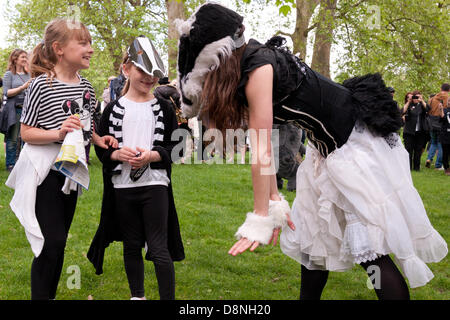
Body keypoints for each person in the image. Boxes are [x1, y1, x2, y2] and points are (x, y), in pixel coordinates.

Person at [176, 3, 447, 300]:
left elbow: (262, 150)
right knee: (313, 246)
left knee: (370, 254)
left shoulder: (259, 67)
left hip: (354, 148)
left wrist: (261, 216)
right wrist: (275, 200)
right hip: (325, 150)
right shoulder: (246, 68)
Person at [5, 18, 117, 300]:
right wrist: (58, 132)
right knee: (50, 242)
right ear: (59, 49)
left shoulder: (87, 88)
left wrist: (99, 139)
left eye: (91, 42)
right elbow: (27, 133)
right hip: (43, 172)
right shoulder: (40, 86)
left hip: (70, 173)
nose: (90, 48)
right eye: (83, 42)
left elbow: (87, 127)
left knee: (58, 244)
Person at [87, 36, 185, 300]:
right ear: (126, 69)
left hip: (155, 185)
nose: (149, 78)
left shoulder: (165, 107)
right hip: (122, 187)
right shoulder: (112, 108)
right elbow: (102, 147)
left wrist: (152, 155)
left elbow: (178, 148)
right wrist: (117, 153)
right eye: (142, 71)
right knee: (131, 245)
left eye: (154, 73)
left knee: (158, 247)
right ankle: (137, 296)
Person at [2, 49, 31, 172]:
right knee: (13, 138)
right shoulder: (9, 74)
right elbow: (6, 93)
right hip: (15, 110)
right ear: (15, 59)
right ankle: (11, 164)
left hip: (28, 110)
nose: (25, 59)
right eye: (23, 57)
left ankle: (24, 163)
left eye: (26, 57)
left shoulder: (29, 74)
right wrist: (23, 87)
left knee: (27, 139)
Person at [402, 90, 430, 171]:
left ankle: (416, 167)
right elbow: (402, 111)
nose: (416, 99)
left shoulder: (422, 106)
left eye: (418, 97)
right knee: (408, 150)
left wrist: (422, 101)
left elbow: (428, 109)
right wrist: (408, 101)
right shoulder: (409, 105)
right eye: (415, 97)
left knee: (418, 150)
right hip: (409, 132)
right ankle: (408, 167)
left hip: (420, 132)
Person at [425, 83, 449, 170]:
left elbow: (428, 110)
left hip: (431, 123)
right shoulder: (447, 98)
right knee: (440, 144)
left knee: (433, 142)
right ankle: (438, 165)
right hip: (441, 123)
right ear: (449, 90)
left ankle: (429, 159)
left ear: (440, 88)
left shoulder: (432, 98)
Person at [440, 98, 450, 176]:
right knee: (445, 152)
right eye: (449, 101)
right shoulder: (445, 110)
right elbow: (442, 118)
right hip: (445, 134)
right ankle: (446, 168)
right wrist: (441, 109)